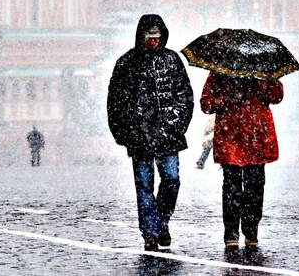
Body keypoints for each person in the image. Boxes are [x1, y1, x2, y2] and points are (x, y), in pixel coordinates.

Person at [107, 14, 193, 251]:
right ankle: (150, 232)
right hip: (139, 136)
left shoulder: (172, 60)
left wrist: (176, 124)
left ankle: (161, 221)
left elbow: (184, 95)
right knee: (144, 185)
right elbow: (115, 102)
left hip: (168, 134)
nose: (153, 42)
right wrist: (124, 133)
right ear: (141, 37)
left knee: (172, 181)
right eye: (149, 37)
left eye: (156, 37)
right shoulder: (126, 63)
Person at [201, 72, 283, 249]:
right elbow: (206, 104)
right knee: (232, 187)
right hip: (230, 136)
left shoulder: (264, 70)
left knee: (255, 187)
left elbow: (277, 96)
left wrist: (260, 84)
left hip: (257, 138)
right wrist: (228, 98)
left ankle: (251, 229)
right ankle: (231, 232)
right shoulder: (220, 71)